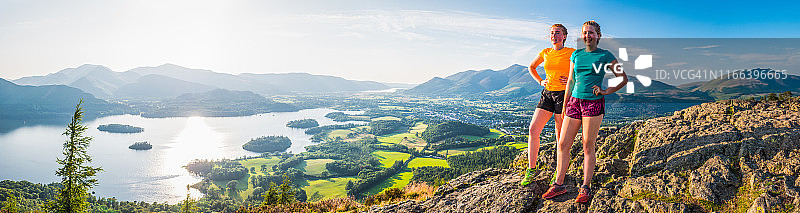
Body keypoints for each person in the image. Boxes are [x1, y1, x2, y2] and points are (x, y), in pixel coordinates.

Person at [541, 20, 628, 203]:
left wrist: (605, 91)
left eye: (591, 32)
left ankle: (585, 188)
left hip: (593, 104)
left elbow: (622, 78)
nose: (587, 35)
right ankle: (559, 185)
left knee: (588, 145)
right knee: (563, 143)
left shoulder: (605, 55)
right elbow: (571, 81)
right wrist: (565, 105)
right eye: (585, 33)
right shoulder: (576, 55)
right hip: (574, 102)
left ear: (598, 35)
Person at [520, 24, 574, 186]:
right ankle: (531, 169)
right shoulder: (546, 52)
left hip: (563, 96)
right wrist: (540, 81)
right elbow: (531, 67)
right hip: (547, 94)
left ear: (564, 36)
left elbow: (583, 70)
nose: (554, 35)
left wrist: (573, 81)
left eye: (557, 33)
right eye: (552, 33)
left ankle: (559, 171)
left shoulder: (571, 52)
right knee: (533, 129)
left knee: (560, 137)